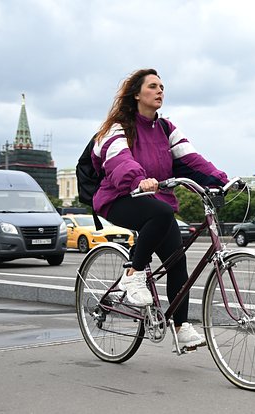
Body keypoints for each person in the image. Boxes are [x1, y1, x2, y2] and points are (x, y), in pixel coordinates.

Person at [91, 68, 228, 350]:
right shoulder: (117, 128)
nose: (160, 91)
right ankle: (133, 274)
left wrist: (221, 179)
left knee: (178, 260)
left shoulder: (166, 128)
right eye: (153, 86)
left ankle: (181, 327)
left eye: (162, 87)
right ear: (137, 94)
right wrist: (139, 179)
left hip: (155, 202)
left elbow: (191, 158)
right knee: (162, 214)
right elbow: (120, 160)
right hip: (119, 197)